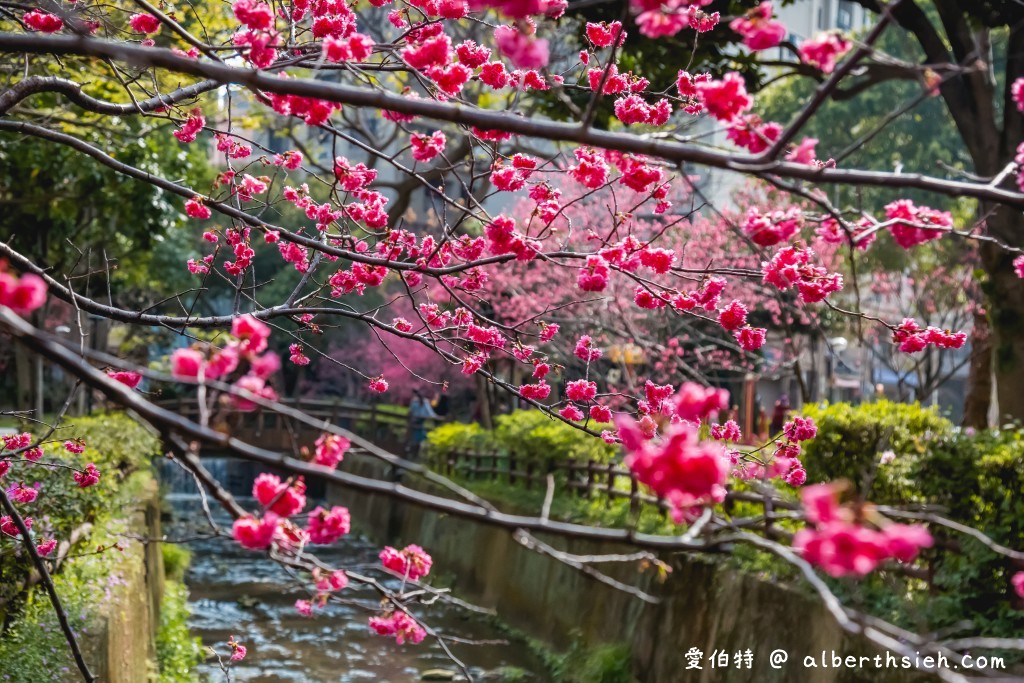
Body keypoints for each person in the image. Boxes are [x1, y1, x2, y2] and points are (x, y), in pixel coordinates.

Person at [407, 389, 438, 458]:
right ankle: (415, 454)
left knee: (413, 438)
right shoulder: (424, 401)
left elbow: (410, 412)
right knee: (418, 439)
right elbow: (430, 413)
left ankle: (412, 453)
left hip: (415, 422)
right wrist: (436, 417)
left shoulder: (415, 401)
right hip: (420, 422)